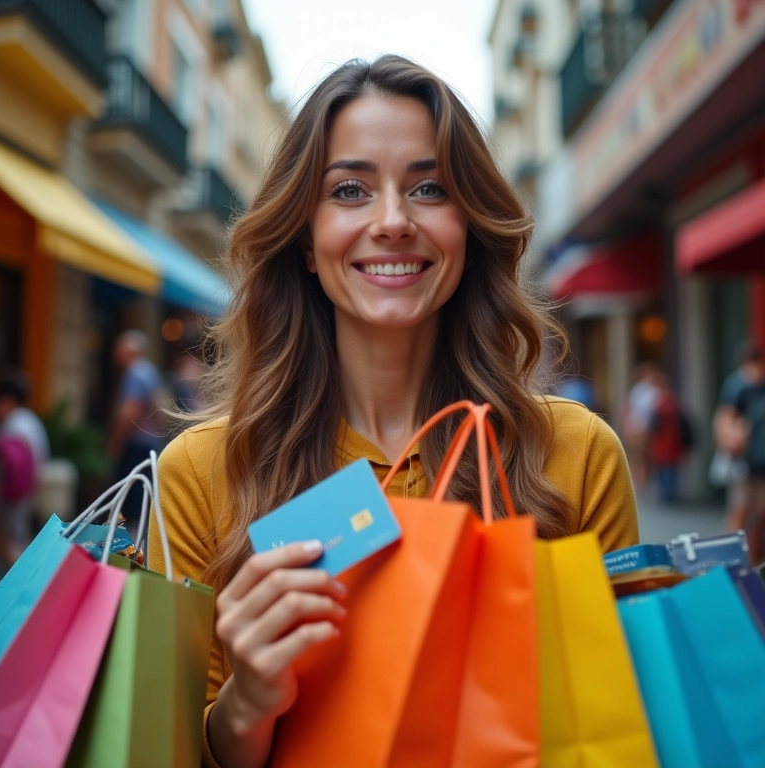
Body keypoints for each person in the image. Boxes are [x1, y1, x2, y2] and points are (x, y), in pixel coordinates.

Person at [148, 56, 639, 768]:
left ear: (468, 230)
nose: (393, 221)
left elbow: (626, 727)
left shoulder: (577, 452)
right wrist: (249, 699)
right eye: (349, 190)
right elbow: (175, 751)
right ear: (305, 243)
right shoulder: (202, 472)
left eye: (429, 188)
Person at [107, 330, 166, 528]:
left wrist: (116, 440)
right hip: (149, 440)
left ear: (129, 351)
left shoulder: (134, 373)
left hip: (135, 442)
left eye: (119, 349)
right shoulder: (149, 370)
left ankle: (129, 546)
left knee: (131, 497)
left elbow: (130, 411)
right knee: (142, 493)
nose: (115, 354)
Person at [714, 342, 765, 561]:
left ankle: (753, 562)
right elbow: (724, 419)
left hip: (761, 461)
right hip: (744, 462)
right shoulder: (736, 386)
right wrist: (732, 440)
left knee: (760, 515)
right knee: (740, 513)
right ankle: (731, 562)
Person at [0, 367, 49, 568]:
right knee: (18, 537)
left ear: (8, 399)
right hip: (27, 489)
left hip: (12, 493)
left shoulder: (13, 424)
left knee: (7, 539)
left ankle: (23, 581)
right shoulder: (31, 421)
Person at [647, 372, 689, 504]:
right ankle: (670, 494)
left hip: (662, 441)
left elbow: (654, 426)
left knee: (663, 469)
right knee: (671, 469)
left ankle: (666, 495)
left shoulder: (659, 405)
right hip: (673, 441)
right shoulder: (674, 403)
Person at [622, 361, 661, 490]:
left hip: (643, 429)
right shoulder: (645, 391)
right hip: (640, 429)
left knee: (642, 458)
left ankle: (640, 483)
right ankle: (639, 483)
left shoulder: (647, 391)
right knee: (639, 457)